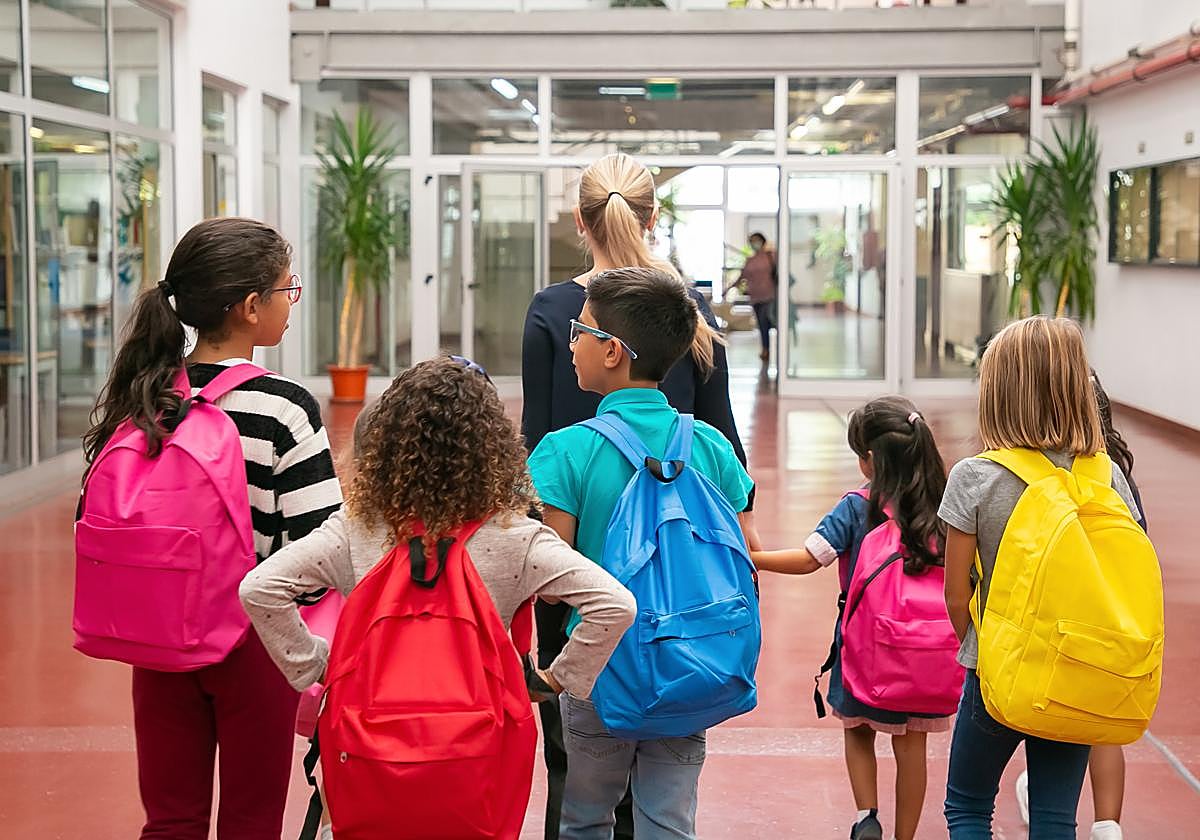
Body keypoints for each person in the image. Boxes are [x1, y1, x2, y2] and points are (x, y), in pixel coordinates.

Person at [521, 151, 756, 840]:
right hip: (684, 617)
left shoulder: (555, 317)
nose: (574, 344)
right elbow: (728, 455)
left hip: (588, 593)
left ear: (579, 222)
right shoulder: (686, 312)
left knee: (580, 786)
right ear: (653, 218)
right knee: (669, 798)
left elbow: (537, 436)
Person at [82, 217, 341, 840]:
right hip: (253, 644)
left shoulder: (142, 394)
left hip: (158, 639)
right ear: (252, 307)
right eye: (288, 290)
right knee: (250, 821)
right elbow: (319, 550)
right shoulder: (284, 406)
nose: (291, 301)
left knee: (169, 819)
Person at [237, 351, 637, 739]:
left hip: (371, 742)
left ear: (387, 447)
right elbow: (615, 605)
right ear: (492, 450)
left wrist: (321, 667)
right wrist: (556, 680)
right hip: (477, 744)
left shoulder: (354, 531)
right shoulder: (516, 537)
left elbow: (260, 589)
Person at [939, 316, 1142, 840]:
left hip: (997, 672)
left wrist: (980, 647)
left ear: (998, 392)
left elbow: (956, 591)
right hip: (1076, 671)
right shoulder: (1106, 475)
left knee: (967, 806)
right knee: (1054, 816)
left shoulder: (976, 477)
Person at [750, 396, 952, 840]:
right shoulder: (943, 507)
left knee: (858, 729)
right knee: (911, 743)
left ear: (870, 460)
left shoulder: (857, 508)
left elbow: (809, 559)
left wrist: (755, 558)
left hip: (866, 646)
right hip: (927, 652)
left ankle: (867, 816)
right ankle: (906, 836)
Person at [1013, 371, 1146, 840]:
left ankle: (1040, 784)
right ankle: (1108, 822)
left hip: (1057, 626)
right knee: (1105, 723)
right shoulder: (1115, 475)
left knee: (1052, 717)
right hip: (1113, 620)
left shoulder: (1038, 472)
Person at [735, 232, 778, 363]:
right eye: (751, 241)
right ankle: (766, 348)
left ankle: (770, 349)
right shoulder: (750, 260)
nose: (754, 244)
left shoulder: (771, 256)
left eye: (756, 240)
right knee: (761, 324)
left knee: (766, 322)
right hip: (755, 298)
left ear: (762, 241)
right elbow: (742, 277)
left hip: (770, 296)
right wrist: (728, 289)